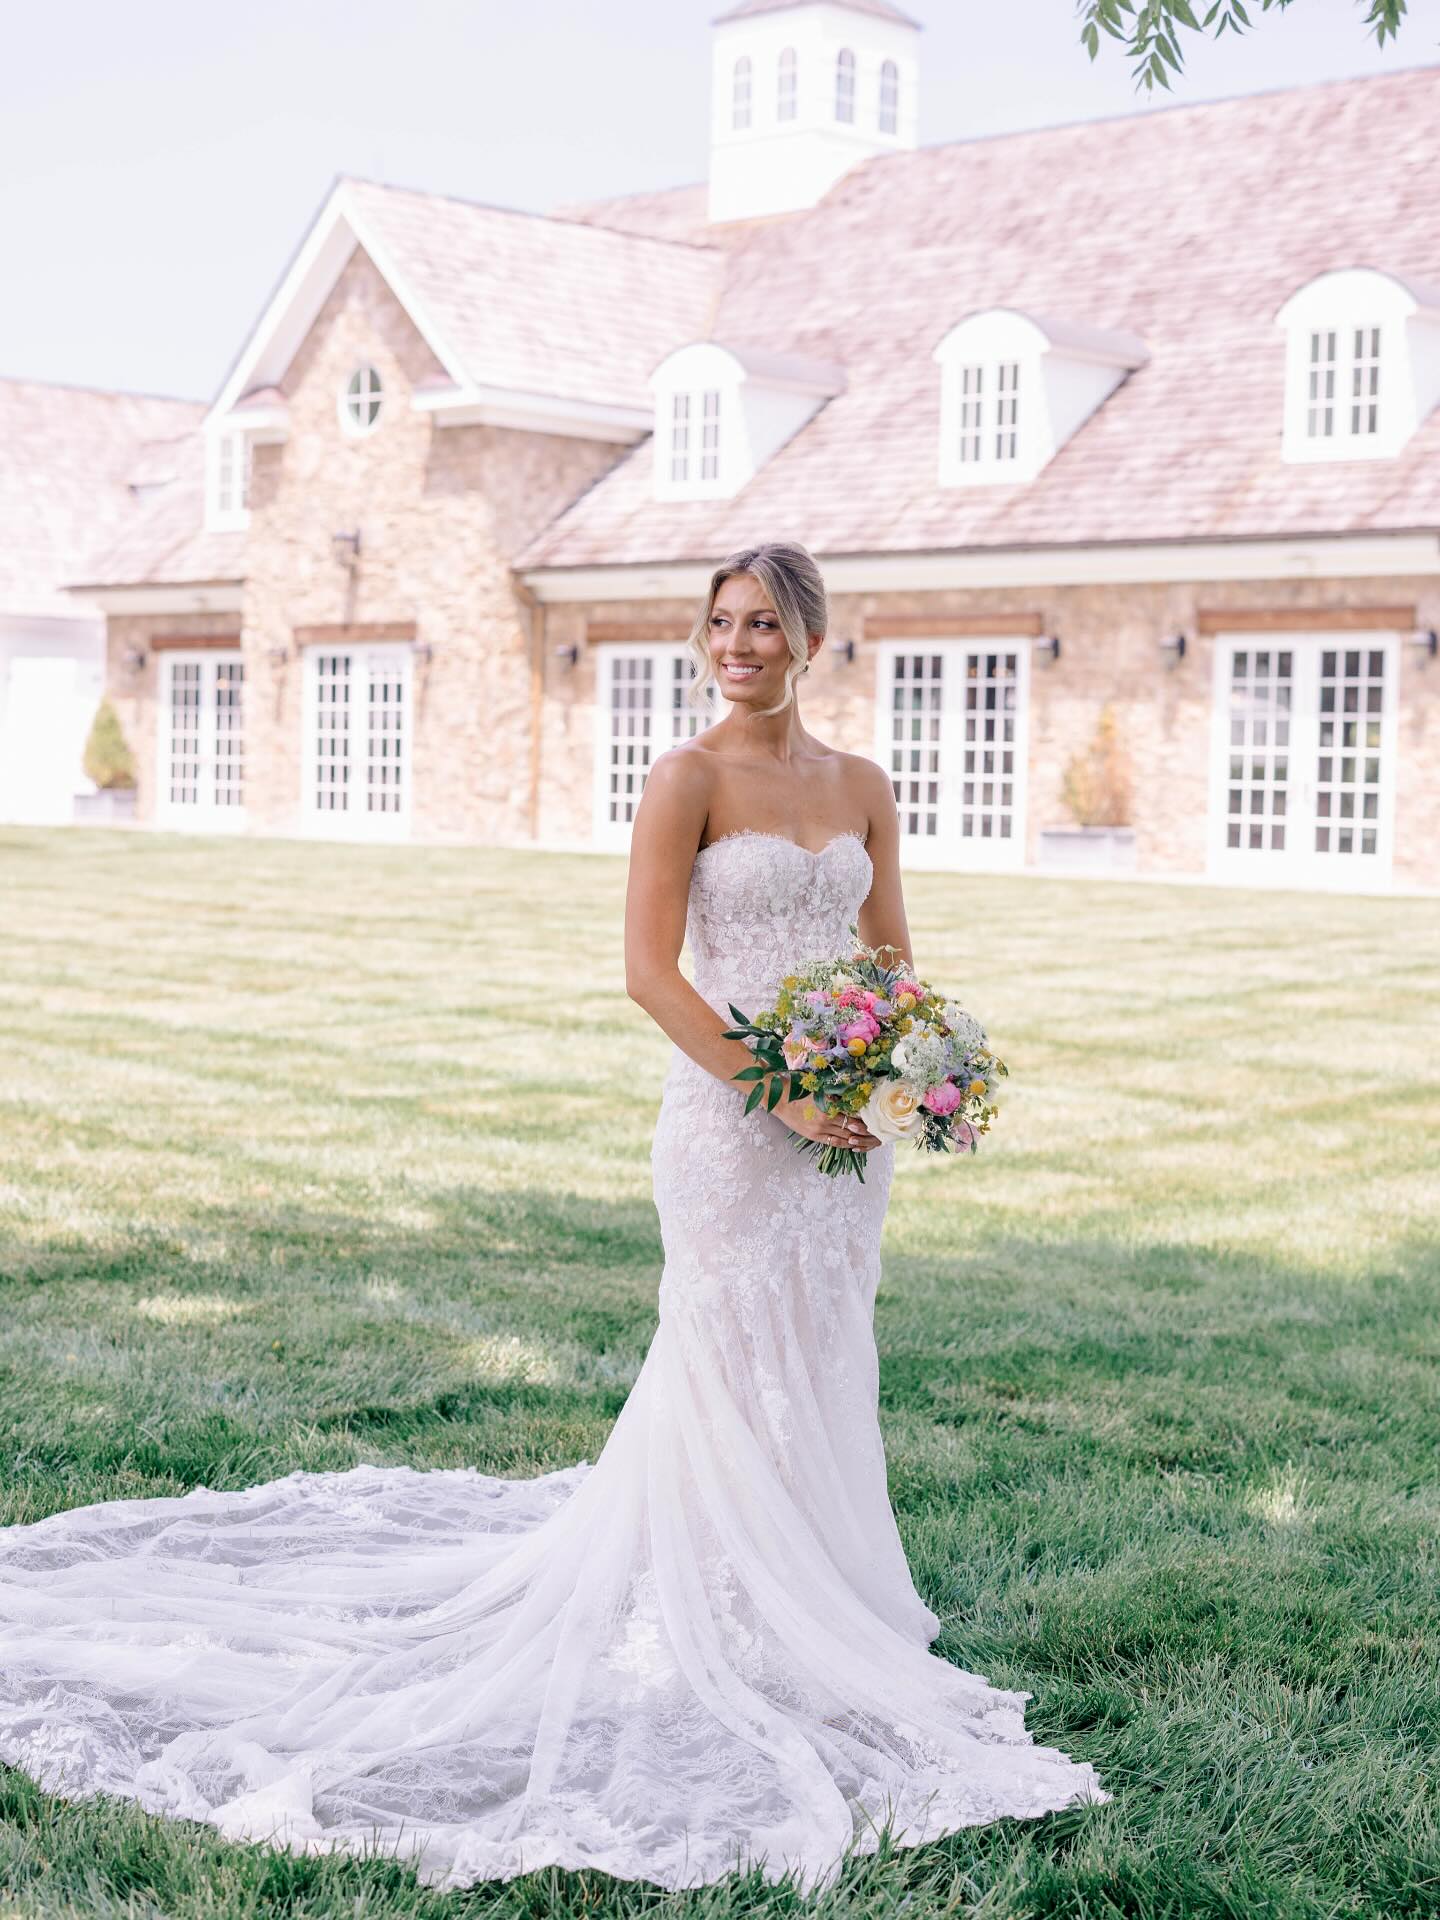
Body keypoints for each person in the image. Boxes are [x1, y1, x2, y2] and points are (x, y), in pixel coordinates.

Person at [0, 541, 1109, 1893]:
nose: (737, 644)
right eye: (721, 622)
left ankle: (817, 1591)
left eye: (764, 623)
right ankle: (713, 1602)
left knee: (823, 1347)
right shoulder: (687, 778)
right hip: (731, 1126)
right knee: (723, 1354)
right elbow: (650, 972)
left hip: (844, 1142)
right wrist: (781, 1093)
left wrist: (901, 1081)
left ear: (812, 640)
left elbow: (891, 966)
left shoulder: (864, 785)